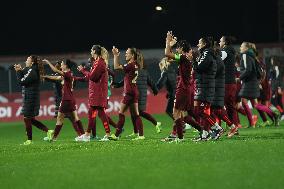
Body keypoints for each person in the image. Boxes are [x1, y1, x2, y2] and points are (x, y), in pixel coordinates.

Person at [14, 55, 53, 145]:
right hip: (30, 97)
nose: (26, 61)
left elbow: (21, 81)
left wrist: (18, 71)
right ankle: (48, 131)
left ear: (32, 62)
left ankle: (29, 140)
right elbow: (23, 74)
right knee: (29, 119)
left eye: (27, 59)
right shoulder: (30, 69)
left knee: (27, 118)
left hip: (31, 98)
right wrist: (19, 69)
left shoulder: (32, 71)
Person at [43, 59, 84, 141]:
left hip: (66, 100)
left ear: (66, 65)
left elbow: (55, 71)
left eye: (62, 64)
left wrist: (48, 62)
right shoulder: (69, 74)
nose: (61, 66)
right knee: (75, 117)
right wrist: (44, 76)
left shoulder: (67, 74)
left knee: (60, 118)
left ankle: (54, 138)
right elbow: (56, 77)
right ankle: (83, 135)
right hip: (71, 99)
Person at [76, 45, 111, 142]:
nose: (90, 51)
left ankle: (105, 134)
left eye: (92, 50)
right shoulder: (97, 62)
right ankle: (88, 135)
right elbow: (91, 77)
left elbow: (93, 77)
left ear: (95, 51)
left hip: (98, 93)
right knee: (94, 113)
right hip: (96, 92)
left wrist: (83, 71)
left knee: (98, 113)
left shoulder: (99, 63)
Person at [109, 46, 145, 140]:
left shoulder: (130, 65)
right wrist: (118, 85)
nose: (125, 54)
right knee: (136, 115)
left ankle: (116, 135)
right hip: (134, 91)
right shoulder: (135, 64)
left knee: (121, 113)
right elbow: (127, 78)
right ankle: (141, 135)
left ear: (132, 55)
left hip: (129, 92)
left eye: (127, 53)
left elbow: (116, 67)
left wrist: (115, 55)